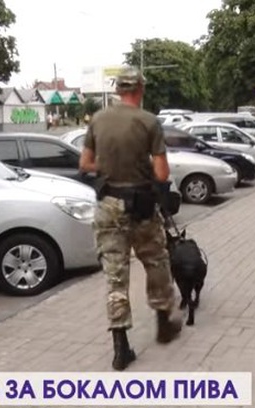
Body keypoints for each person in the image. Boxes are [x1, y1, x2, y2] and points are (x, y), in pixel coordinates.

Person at [78, 66, 182, 371]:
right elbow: (162, 173)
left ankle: (120, 346)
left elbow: (85, 164)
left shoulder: (98, 118)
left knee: (115, 274)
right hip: (141, 207)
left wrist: (108, 167)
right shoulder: (149, 121)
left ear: (117, 90)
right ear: (140, 89)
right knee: (156, 261)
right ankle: (163, 323)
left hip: (108, 205)